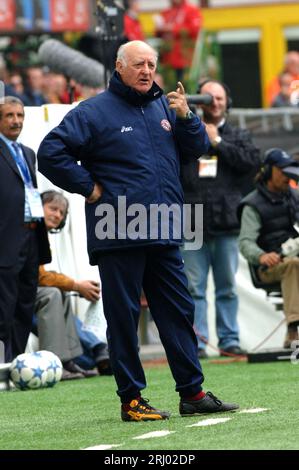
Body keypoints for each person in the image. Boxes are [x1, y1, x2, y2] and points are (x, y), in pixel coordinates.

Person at [37, 40, 239, 421]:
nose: (146, 71)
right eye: (138, 64)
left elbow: (196, 150)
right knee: (124, 316)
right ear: (119, 67)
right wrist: (89, 187)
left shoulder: (166, 105)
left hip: (166, 228)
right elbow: (51, 152)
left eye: (151, 64)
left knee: (179, 311)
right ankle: (131, 399)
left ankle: (192, 393)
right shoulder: (93, 111)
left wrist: (187, 118)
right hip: (119, 229)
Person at [181, 79, 261, 358]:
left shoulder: (238, 135)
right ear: (197, 101)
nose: (213, 102)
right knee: (193, 288)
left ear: (228, 102)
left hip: (227, 221)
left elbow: (251, 163)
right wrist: (198, 134)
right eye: (207, 97)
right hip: (191, 220)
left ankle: (229, 340)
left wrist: (216, 140)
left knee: (226, 287)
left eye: (218, 98)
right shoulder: (185, 131)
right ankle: (198, 343)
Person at [35, 190, 111, 378]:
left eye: (61, 213)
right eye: (53, 208)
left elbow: (41, 275)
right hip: (13, 295)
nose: (57, 215)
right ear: (38, 207)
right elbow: (39, 277)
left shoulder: (41, 236)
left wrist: (71, 285)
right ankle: (61, 361)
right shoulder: (28, 232)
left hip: (25, 294)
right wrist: (76, 285)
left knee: (60, 292)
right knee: (53, 293)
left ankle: (71, 360)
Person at [0, 96, 50, 362]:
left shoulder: (28, 153)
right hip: (6, 241)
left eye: (19, 115)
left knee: (24, 304)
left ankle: (16, 363)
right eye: (9, 116)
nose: (16, 121)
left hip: (31, 237)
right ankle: (2, 364)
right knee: (4, 308)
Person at [238, 148, 299, 349]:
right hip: (269, 267)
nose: (287, 175)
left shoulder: (294, 196)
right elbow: (245, 242)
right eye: (282, 170)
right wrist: (262, 256)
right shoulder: (252, 205)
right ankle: (293, 331)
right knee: (293, 265)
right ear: (268, 171)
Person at [154, 0, 202, 83]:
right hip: (167, 58)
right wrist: (161, 30)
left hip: (184, 57)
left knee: (183, 84)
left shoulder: (191, 10)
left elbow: (195, 30)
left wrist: (173, 29)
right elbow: (157, 33)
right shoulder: (166, 12)